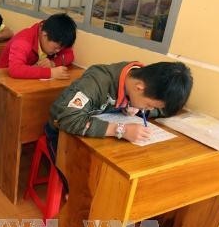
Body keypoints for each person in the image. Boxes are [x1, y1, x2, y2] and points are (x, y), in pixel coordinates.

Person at [45, 61, 193, 161]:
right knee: (83, 176)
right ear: (139, 88)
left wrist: (134, 107)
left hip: (97, 131)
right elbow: (67, 118)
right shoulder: (96, 82)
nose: (150, 110)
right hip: (62, 131)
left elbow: (164, 110)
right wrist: (120, 130)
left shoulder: (139, 81)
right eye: (149, 105)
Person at [0, 13, 77, 80]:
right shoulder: (23, 41)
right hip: (4, 82)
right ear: (44, 34)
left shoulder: (55, 35)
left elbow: (69, 55)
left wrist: (53, 63)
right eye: (56, 48)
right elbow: (15, 70)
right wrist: (51, 73)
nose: (58, 51)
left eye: (61, 48)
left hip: (29, 79)